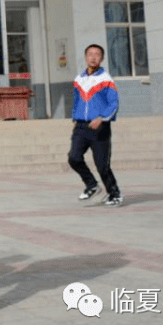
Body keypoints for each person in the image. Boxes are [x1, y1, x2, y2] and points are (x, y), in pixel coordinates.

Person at [69, 43, 122, 207]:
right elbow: (77, 100)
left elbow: (113, 103)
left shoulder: (106, 80)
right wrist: (74, 115)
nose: (93, 57)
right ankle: (91, 185)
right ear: (85, 57)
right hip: (81, 126)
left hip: (100, 127)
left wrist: (102, 118)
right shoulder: (79, 79)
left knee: (102, 165)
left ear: (102, 58)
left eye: (97, 54)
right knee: (73, 158)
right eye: (90, 54)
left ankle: (114, 194)